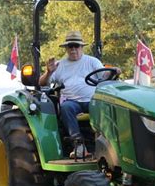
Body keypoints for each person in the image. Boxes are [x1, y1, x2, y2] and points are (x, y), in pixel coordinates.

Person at [39, 30, 105, 158]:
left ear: (82, 47)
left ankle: (107, 143)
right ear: (66, 48)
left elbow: (104, 76)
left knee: (107, 105)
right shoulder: (60, 65)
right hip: (72, 102)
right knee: (66, 107)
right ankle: (79, 145)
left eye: (76, 46)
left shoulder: (92, 62)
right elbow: (42, 83)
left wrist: (114, 71)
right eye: (70, 46)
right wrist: (49, 72)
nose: (73, 49)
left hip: (92, 100)